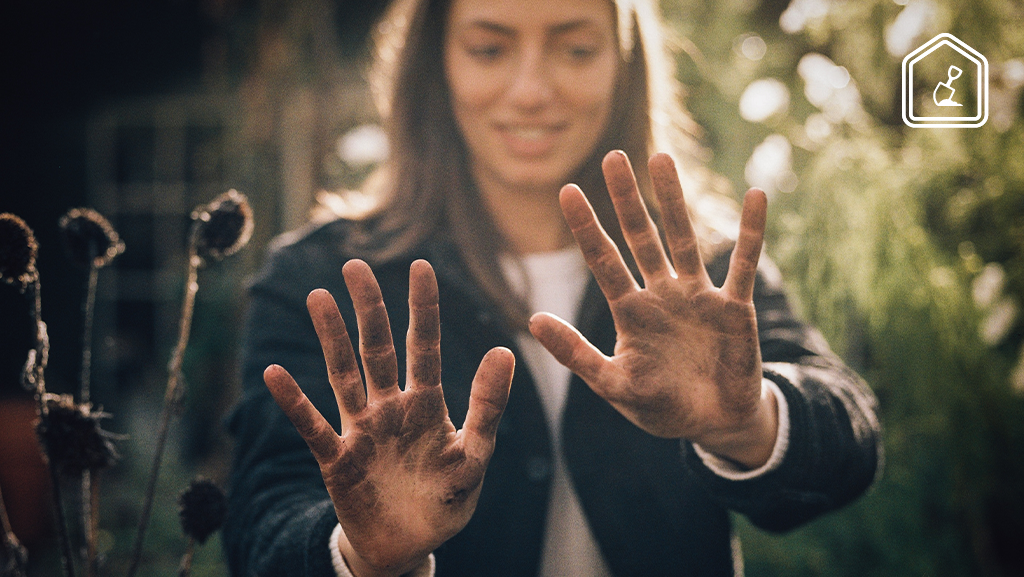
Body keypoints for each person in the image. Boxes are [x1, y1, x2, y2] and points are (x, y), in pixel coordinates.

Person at [223, 0, 883, 575]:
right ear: (434, 64)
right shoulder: (320, 277)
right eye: (489, 49)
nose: (532, 91)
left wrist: (749, 421)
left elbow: (848, 439)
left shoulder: (696, 271)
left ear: (625, 62)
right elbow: (262, 526)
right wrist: (361, 552)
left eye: (576, 49)